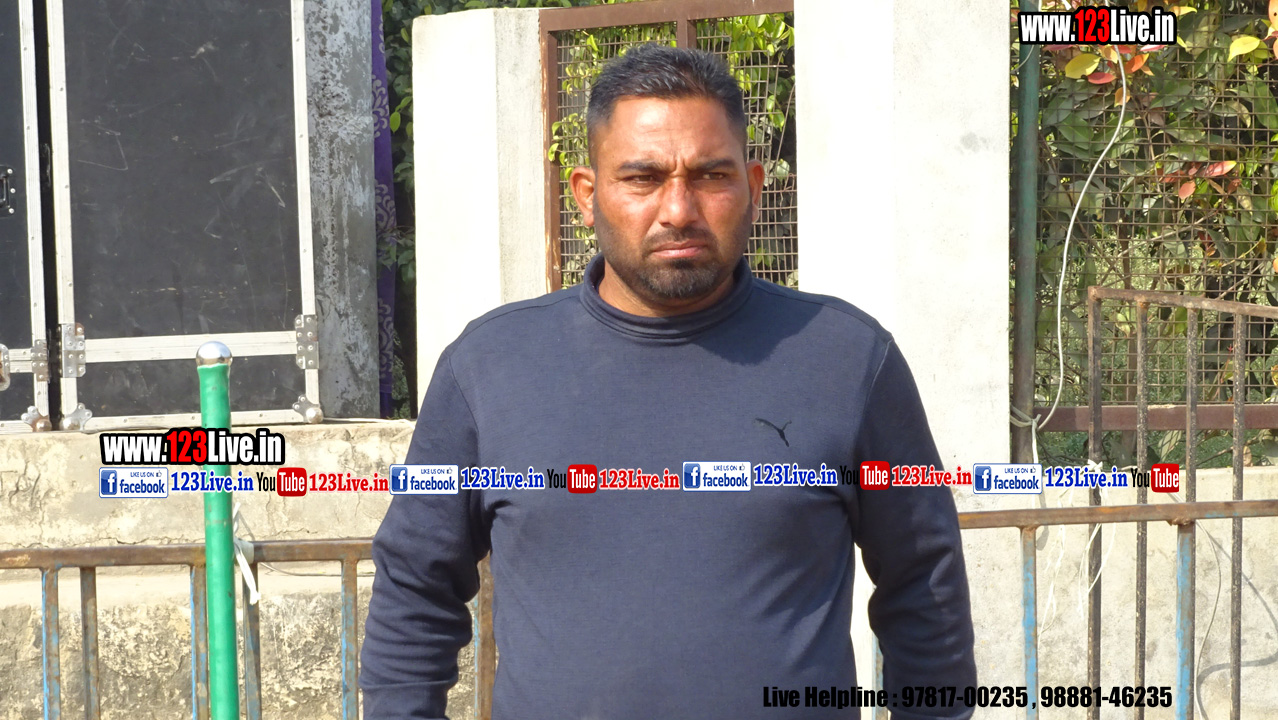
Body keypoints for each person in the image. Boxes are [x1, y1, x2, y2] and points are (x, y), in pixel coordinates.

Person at [360, 43, 976, 719]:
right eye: (643, 178)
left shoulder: (848, 360)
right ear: (587, 196)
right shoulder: (489, 366)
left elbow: (924, 583)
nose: (678, 209)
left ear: (753, 186)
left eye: (711, 176)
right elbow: (415, 588)